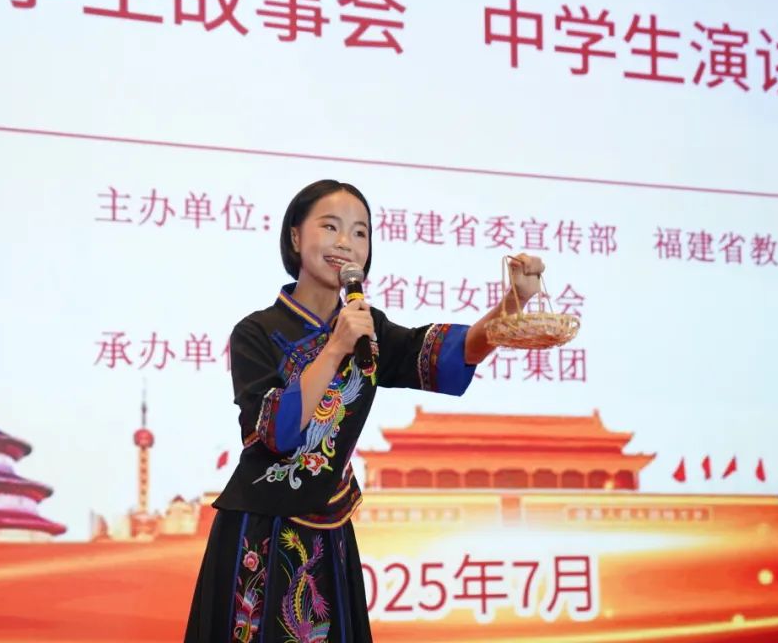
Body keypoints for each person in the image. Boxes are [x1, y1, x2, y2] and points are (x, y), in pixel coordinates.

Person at [184, 179, 545, 642]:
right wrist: (335, 346)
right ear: (295, 236)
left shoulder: (369, 328)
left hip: (330, 530)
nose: (345, 243)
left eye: (359, 232)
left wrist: (514, 302)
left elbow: (446, 356)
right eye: (329, 227)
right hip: (260, 533)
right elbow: (275, 432)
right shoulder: (256, 332)